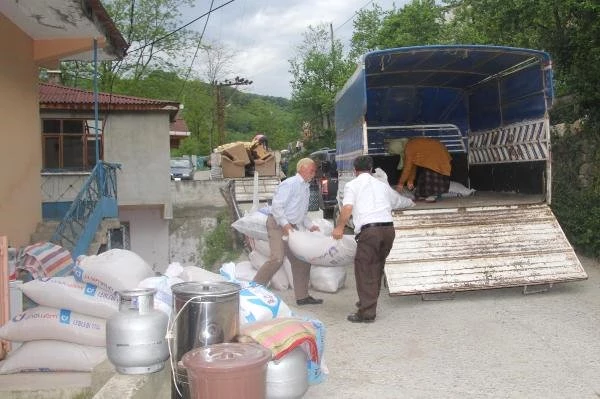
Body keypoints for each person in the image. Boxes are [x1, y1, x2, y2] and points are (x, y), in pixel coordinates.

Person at [332, 155, 397, 323]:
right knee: (376, 266)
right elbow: (395, 201)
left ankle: (367, 312)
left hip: (370, 232)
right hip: (389, 230)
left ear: (355, 170)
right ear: (371, 169)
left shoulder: (352, 185)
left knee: (365, 269)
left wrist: (339, 228)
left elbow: (347, 208)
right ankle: (366, 301)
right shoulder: (381, 184)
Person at [252, 158, 324, 306]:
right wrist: (286, 225)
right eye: (312, 169)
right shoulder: (290, 184)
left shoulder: (306, 187)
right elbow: (277, 207)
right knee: (277, 259)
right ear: (302, 169)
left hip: (292, 226)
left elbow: (301, 213)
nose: (314, 172)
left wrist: (310, 226)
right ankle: (253, 291)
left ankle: (302, 297)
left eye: (314, 170)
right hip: (278, 224)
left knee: (302, 260)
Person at [393, 137, 452, 202]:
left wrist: (400, 184)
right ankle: (435, 194)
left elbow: (407, 168)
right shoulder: (411, 144)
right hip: (441, 153)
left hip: (435, 158)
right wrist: (410, 181)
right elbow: (413, 165)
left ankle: (432, 195)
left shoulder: (409, 148)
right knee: (434, 175)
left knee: (430, 175)